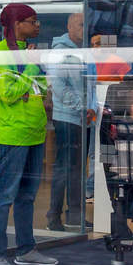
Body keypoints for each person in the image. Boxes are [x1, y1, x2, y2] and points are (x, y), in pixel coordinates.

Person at [0, 3, 57, 265]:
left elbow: (37, 88)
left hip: (35, 131)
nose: (37, 26)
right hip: (13, 133)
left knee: (27, 196)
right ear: (17, 25)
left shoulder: (28, 53)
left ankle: (26, 250)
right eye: (32, 21)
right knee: (5, 195)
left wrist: (33, 71)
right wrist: (30, 67)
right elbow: (10, 94)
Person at [44, 12, 88, 231]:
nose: (84, 28)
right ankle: (54, 216)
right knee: (64, 168)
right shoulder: (60, 52)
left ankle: (75, 214)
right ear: (70, 27)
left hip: (82, 118)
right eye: (80, 25)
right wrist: (82, 107)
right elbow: (59, 87)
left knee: (77, 169)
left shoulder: (83, 51)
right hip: (68, 118)